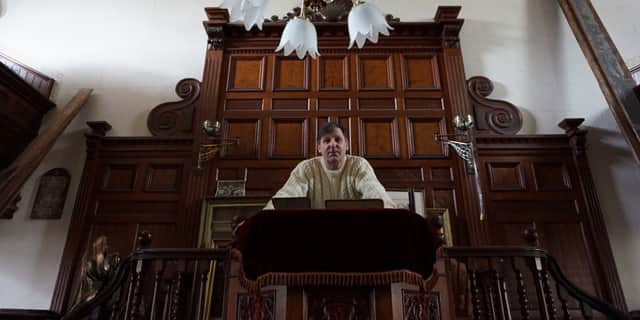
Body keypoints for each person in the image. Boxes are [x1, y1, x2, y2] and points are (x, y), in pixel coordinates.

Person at [264, 122, 396, 209]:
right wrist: (265, 214)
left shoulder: (358, 165)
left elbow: (376, 193)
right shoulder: (306, 168)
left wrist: (390, 211)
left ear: (347, 145)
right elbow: (287, 195)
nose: (333, 144)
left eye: (338, 139)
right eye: (326, 141)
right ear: (319, 148)